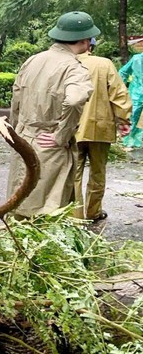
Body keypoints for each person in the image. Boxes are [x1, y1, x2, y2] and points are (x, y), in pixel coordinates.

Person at [6, 12, 97, 219]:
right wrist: (61, 135)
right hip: (49, 144)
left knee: (19, 204)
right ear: (84, 40)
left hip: (25, 139)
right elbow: (75, 99)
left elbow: (16, 98)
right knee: (46, 211)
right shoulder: (73, 68)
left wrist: (17, 132)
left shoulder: (33, 60)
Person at [74, 38, 131, 221]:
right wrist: (123, 120)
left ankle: (74, 216)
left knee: (72, 175)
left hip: (71, 129)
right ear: (90, 46)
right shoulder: (104, 64)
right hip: (100, 127)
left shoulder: (65, 63)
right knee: (98, 173)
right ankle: (93, 211)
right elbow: (119, 94)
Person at [119, 52, 143, 150]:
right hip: (136, 92)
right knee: (133, 116)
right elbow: (123, 72)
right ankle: (129, 141)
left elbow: (123, 72)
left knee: (134, 116)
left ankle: (135, 140)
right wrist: (120, 88)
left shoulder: (136, 58)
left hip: (136, 91)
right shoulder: (136, 59)